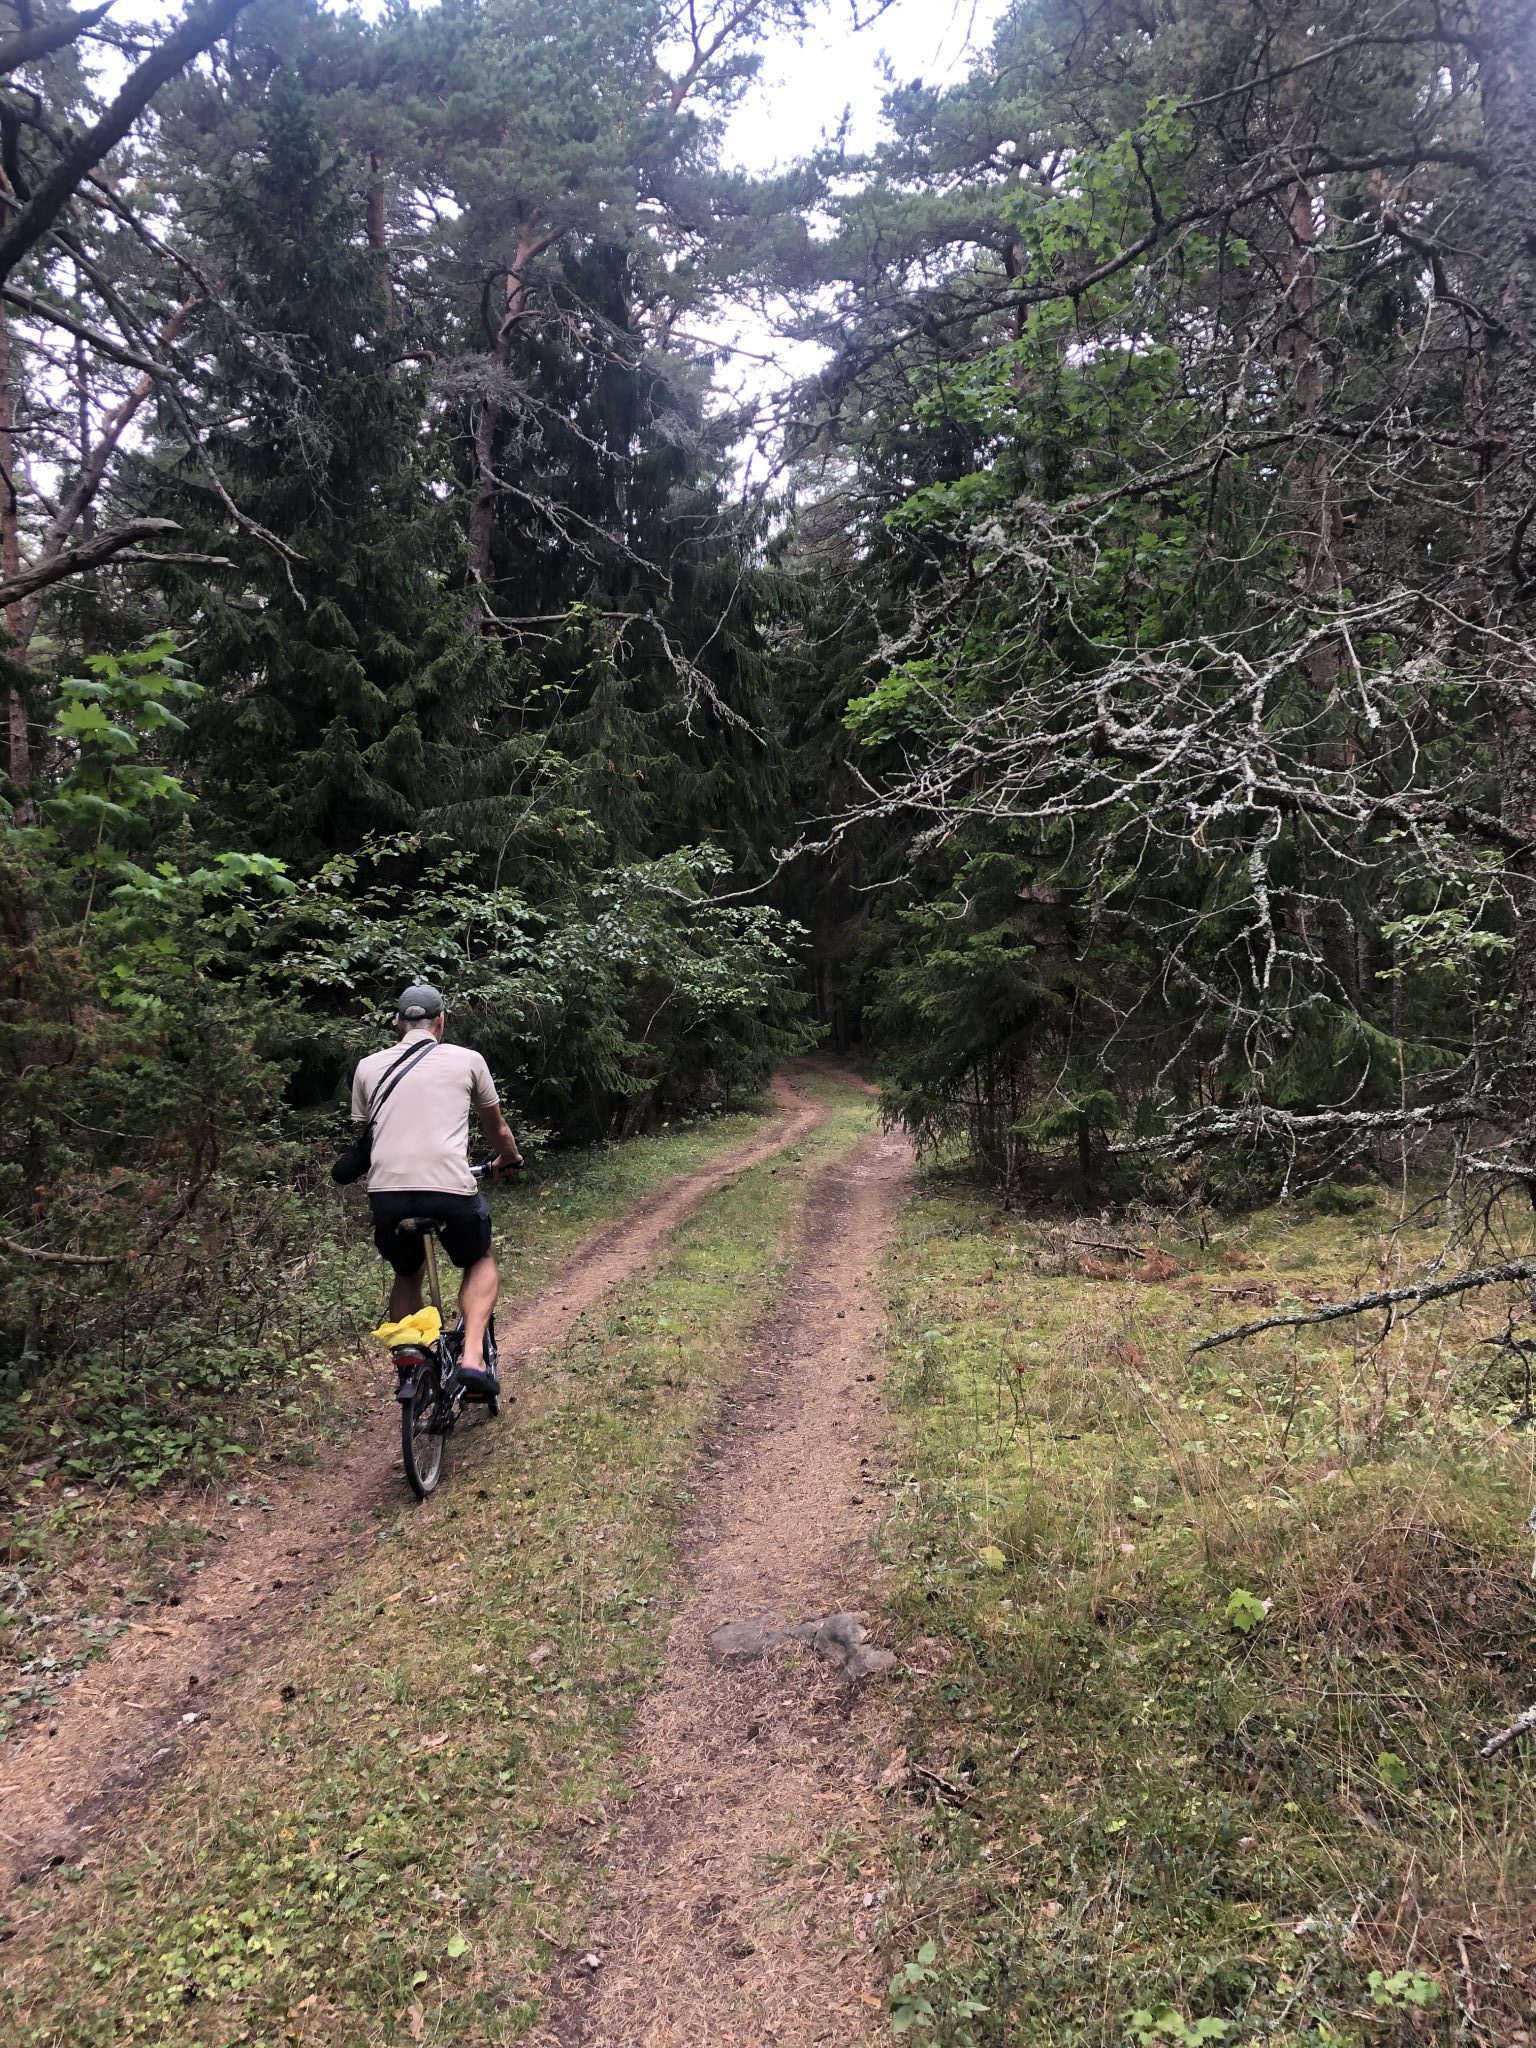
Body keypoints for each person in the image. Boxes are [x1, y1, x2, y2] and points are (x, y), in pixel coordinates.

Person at [352, 984, 522, 1392]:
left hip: (387, 1194)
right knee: (479, 1258)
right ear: (441, 1021)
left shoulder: (367, 1067)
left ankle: (410, 1364)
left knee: (407, 1273)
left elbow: (364, 1139)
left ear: (397, 1022)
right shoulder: (467, 1060)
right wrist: (509, 1159)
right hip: (449, 1188)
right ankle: (473, 1358)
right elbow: (496, 1127)